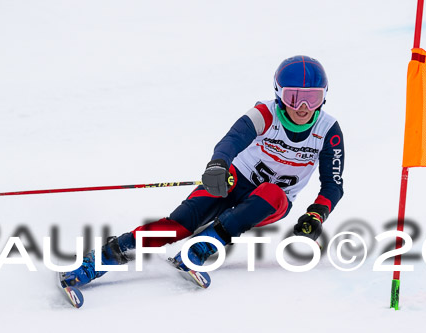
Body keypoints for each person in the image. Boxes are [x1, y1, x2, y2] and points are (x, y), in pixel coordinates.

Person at [60, 55, 345, 289]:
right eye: (294, 97)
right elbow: (232, 140)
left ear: (324, 97)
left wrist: (316, 214)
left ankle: (200, 249)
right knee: (177, 225)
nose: (303, 107)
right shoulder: (264, 113)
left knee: (271, 191)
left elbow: (332, 185)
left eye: (313, 97)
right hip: (234, 180)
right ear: (278, 94)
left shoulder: (327, 130)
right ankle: (98, 260)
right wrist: (218, 165)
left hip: (271, 202)